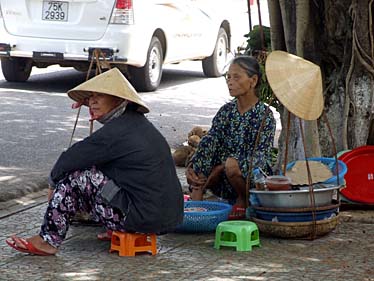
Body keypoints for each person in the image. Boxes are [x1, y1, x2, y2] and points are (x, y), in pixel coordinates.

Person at [6, 68, 184, 255]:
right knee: (96, 169)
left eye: (100, 96)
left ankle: (48, 239)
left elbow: (71, 158)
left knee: (74, 178)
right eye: (91, 97)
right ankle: (112, 226)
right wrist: (96, 104)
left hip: (143, 218)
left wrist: (53, 184)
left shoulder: (118, 131)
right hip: (162, 217)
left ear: (118, 100)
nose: (93, 101)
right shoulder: (135, 124)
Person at [185, 55, 276, 220]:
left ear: (253, 80)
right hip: (221, 178)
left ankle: (244, 199)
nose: (230, 82)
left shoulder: (264, 116)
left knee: (232, 164)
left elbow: (261, 157)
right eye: (228, 77)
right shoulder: (226, 111)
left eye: (236, 77)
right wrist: (193, 165)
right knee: (207, 143)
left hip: (250, 178)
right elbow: (211, 141)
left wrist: (225, 166)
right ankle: (196, 195)